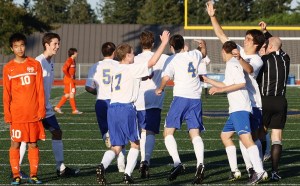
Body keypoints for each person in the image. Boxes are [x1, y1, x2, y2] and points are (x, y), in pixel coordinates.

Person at [96, 30, 170, 185]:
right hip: (126, 108)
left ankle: (102, 166)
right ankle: (128, 174)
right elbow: (152, 62)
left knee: (116, 146)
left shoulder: (116, 69)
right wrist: (163, 43)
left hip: (112, 108)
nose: (134, 55)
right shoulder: (131, 68)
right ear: (127, 56)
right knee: (135, 143)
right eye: (132, 53)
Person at [206, 1, 266, 180]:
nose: (244, 40)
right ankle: (251, 169)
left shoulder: (256, 60)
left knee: (250, 138)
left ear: (255, 44)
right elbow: (221, 34)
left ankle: (258, 169)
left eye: (248, 39)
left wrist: (239, 58)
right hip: (239, 103)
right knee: (236, 136)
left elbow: (248, 69)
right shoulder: (238, 51)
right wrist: (212, 16)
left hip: (252, 103)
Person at [19, 33, 80, 178]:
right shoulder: (38, 62)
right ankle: (16, 170)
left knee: (57, 132)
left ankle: (61, 168)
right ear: (46, 45)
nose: (58, 47)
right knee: (26, 138)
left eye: (58, 44)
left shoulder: (50, 62)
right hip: (34, 107)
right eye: (55, 44)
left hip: (45, 107)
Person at [155, 34, 207, 184]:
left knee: (168, 132)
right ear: (183, 44)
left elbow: (166, 78)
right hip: (195, 99)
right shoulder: (194, 54)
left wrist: (160, 88)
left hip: (181, 98)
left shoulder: (172, 59)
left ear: (171, 47)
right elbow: (203, 52)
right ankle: (200, 164)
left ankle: (177, 163)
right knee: (195, 133)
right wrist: (203, 44)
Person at [3, 33, 46, 185]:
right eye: (16, 46)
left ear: (25, 46)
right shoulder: (8, 68)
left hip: (33, 113)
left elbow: (40, 89)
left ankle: (34, 175)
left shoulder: (35, 65)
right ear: (11, 48)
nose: (19, 49)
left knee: (33, 144)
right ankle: (16, 175)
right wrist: (7, 114)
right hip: (17, 115)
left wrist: (42, 109)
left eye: (22, 45)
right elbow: (6, 94)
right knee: (15, 144)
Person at [257, 22, 290, 181]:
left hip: (264, 100)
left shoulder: (263, 59)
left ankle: (260, 169)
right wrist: (266, 32)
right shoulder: (286, 58)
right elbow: (276, 44)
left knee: (260, 134)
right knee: (277, 137)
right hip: (280, 101)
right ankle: (275, 172)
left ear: (269, 47)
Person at [85, 42, 126, 172]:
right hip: (116, 102)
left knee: (105, 130)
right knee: (120, 132)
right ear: (114, 53)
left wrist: (99, 91)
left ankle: (107, 136)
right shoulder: (119, 65)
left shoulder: (95, 66)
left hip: (101, 101)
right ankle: (121, 163)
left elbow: (88, 87)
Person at [133, 30, 169, 179]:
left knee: (141, 132)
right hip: (155, 99)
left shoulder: (134, 59)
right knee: (150, 132)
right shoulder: (164, 57)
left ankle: (139, 160)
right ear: (153, 43)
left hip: (138, 99)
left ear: (141, 43)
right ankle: (146, 160)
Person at [54, 48, 82, 114]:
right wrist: (69, 76)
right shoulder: (69, 60)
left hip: (70, 80)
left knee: (67, 94)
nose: (77, 53)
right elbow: (64, 69)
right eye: (76, 52)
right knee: (72, 94)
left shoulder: (73, 60)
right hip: (69, 80)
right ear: (73, 53)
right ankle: (74, 110)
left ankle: (57, 107)